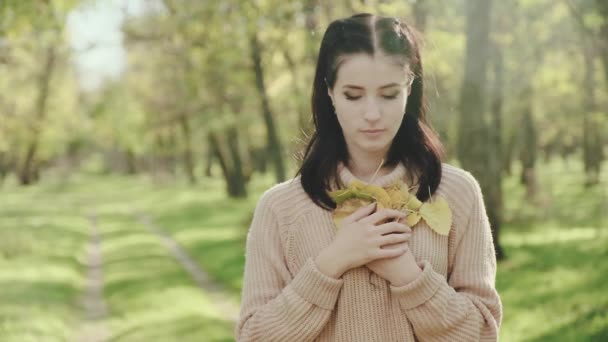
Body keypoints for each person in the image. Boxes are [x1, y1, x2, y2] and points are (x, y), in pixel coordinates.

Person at [235, 13, 502, 341]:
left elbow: (482, 332)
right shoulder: (281, 208)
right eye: (353, 95)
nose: (372, 114)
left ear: (410, 89)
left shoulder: (457, 193)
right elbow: (253, 336)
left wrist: (406, 274)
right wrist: (333, 261)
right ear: (330, 92)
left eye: (389, 94)